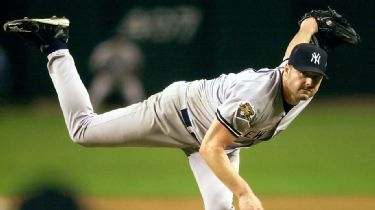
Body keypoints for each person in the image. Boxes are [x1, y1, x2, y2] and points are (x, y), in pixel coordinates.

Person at [4, 16, 326, 210]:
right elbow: (210, 148)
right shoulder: (254, 100)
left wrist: (308, 25)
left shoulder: (299, 84)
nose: (308, 81)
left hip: (216, 135)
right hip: (176, 114)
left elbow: (297, 48)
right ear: (286, 71)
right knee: (83, 132)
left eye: (315, 77)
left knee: (218, 206)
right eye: (302, 73)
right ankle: (55, 45)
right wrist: (244, 191)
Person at [88, 34, 145, 109]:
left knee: (135, 94)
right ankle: (87, 114)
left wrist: (131, 74)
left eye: (120, 39)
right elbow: (93, 66)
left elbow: (138, 67)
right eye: (116, 39)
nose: (118, 41)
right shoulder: (103, 48)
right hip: (107, 76)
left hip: (126, 77)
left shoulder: (130, 49)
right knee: (96, 92)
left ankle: (139, 113)